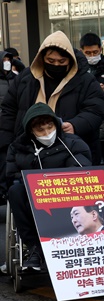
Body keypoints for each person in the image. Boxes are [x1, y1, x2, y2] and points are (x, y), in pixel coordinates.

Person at [0, 31, 104, 170]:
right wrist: (7, 147)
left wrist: (75, 125)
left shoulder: (85, 80)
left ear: (70, 60)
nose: (56, 65)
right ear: (42, 58)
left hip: (70, 152)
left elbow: (95, 110)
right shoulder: (25, 78)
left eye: (62, 62)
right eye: (50, 61)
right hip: (28, 154)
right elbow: (9, 111)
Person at [6, 103, 92, 270]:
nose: (47, 133)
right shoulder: (18, 148)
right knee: (15, 190)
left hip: (66, 197)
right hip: (33, 200)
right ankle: (34, 247)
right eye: (41, 130)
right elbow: (10, 175)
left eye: (50, 127)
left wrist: (52, 183)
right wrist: (34, 183)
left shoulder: (72, 143)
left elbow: (81, 169)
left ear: (56, 124)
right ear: (31, 131)